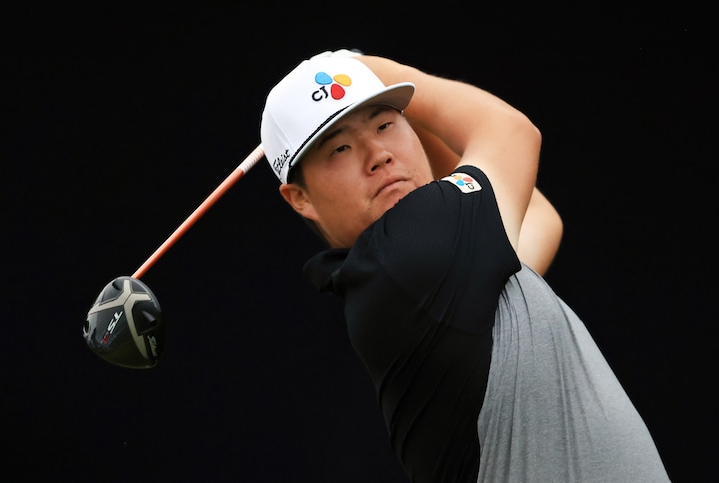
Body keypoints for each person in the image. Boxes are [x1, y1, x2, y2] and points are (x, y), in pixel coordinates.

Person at [259, 49, 670, 482]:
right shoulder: (414, 251)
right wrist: (387, 72)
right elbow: (511, 131)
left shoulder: (421, 273)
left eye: (385, 124)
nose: (378, 153)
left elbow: (541, 221)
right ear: (299, 197)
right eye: (339, 147)